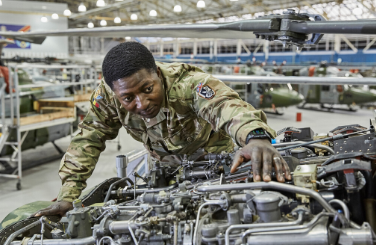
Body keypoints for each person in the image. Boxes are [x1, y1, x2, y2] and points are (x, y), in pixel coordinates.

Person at [33, 42, 291, 217]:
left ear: (157, 73)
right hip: (164, 167)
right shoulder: (107, 99)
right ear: (115, 93)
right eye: (128, 98)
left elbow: (227, 106)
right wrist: (69, 195)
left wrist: (256, 138)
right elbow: (88, 138)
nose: (142, 103)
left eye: (147, 89)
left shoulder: (189, 85)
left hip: (213, 163)